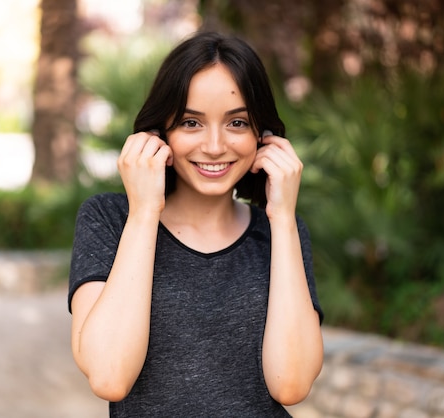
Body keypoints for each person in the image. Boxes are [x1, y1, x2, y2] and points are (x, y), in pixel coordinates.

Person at [68, 31, 324, 417]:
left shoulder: (281, 232)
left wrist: (283, 218)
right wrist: (144, 212)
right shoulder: (110, 219)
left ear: (263, 136)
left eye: (237, 123)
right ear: (159, 133)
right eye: (191, 122)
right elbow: (109, 376)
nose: (216, 145)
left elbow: (291, 385)